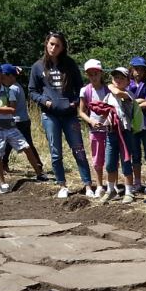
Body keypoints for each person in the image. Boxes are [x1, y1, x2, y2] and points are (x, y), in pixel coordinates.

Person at [29, 31, 93, 198]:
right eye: (51, 44)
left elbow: (80, 87)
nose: (53, 48)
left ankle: (87, 185)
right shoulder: (37, 66)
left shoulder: (70, 64)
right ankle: (62, 185)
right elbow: (32, 91)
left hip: (70, 114)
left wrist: (75, 102)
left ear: (62, 47)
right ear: (46, 44)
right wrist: (45, 101)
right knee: (55, 152)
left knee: (78, 150)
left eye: (57, 45)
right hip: (50, 115)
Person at [0, 62, 44, 194]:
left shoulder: (9, 90)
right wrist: (2, 109)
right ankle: (2, 183)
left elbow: (12, 110)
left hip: (10, 127)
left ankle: (39, 173)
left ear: (0, 74)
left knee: (26, 147)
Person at [0, 64, 46, 178]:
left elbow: (10, 106)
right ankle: (38, 165)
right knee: (26, 144)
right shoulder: (17, 86)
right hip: (24, 120)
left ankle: (3, 164)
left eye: (3, 77)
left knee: (10, 143)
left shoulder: (12, 89)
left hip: (16, 121)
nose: (1, 79)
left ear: (11, 76)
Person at [79, 59, 113, 198]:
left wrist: (108, 121)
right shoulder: (85, 90)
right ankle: (99, 185)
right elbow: (81, 111)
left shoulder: (109, 89)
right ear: (87, 75)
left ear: (101, 73)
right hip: (95, 130)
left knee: (111, 159)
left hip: (110, 129)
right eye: (91, 74)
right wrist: (91, 121)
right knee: (97, 159)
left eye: (96, 73)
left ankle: (112, 184)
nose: (94, 76)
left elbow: (114, 109)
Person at [107, 66, 138, 202]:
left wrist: (109, 85)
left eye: (121, 78)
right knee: (110, 163)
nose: (118, 80)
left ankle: (129, 192)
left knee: (126, 161)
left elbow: (117, 93)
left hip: (125, 132)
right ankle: (111, 190)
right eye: (115, 77)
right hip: (110, 132)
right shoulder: (108, 95)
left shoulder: (128, 94)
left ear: (128, 81)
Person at [128, 57, 146, 187]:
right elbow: (126, 103)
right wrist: (140, 101)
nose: (139, 72)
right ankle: (137, 182)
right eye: (136, 69)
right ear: (132, 69)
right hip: (133, 124)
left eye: (141, 69)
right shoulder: (128, 84)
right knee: (135, 154)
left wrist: (134, 102)